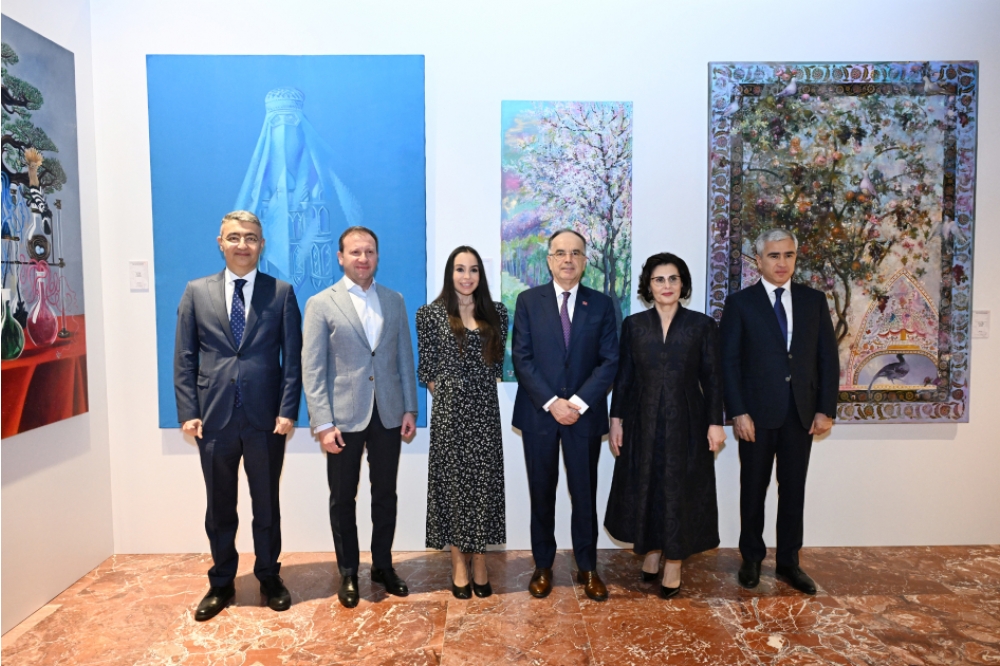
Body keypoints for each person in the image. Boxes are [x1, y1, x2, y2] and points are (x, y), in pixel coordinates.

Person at [174, 210, 302, 621]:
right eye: (234, 237)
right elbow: (185, 357)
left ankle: (269, 576)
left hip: (266, 420)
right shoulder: (196, 292)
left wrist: (287, 410)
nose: (242, 244)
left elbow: (292, 359)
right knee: (219, 507)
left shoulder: (281, 293)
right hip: (214, 419)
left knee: (266, 505)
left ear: (261, 244)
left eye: (250, 237)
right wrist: (189, 411)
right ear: (221, 243)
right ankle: (221, 581)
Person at [302, 225, 418, 608]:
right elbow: (313, 369)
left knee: (385, 494)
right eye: (355, 252)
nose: (362, 258)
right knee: (343, 498)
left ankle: (382, 566)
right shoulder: (321, 303)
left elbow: (404, 358)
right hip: (342, 420)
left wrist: (409, 407)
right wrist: (323, 424)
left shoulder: (394, 300)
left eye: (369, 251)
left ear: (377, 256)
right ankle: (349, 571)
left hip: (388, 414)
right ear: (341, 257)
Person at [719, 227, 839, 595]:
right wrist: (738, 412)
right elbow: (728, 363)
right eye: (774, 255)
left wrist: (825, 408)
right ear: (759, 260)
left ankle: (789, 562)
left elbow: (827, 358)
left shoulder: (813, 301)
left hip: (800, 414)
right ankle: (752, 558)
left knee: (793, 491)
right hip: (755, 415)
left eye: (788, 255)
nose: (782, 262)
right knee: (753, 488)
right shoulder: (740, 304)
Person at [604, 253, 725, 598]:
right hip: (641, 420)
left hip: (687, 421)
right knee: (648, 484)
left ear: (683, 284)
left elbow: (713, 379)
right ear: (649, 285)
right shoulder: (634, 325)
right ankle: (653, 550)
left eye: (673, 278)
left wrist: (715, 423)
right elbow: (624, 378)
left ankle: (674, 560)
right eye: (659, 279)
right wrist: (616, 420)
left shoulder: (701, 325)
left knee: (680, 487)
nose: (667, 285)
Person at [511, 229, 619, 601]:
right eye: (560, 252)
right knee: (541, 493)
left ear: (585, 260)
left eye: (575, 253)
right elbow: (522, 358)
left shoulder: (601, 304)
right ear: (549, 260)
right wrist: (552, 403)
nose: (568, 259)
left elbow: (609, 360)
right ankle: (542, 566)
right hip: (539, 415)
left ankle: (587, 568)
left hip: (583, 416)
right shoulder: (528, 301)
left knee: (584, 494)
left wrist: (577, 402)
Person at [417, 246, 508, 599]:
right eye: (459, 269)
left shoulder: (498, 313)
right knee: (454, 489)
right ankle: (458, 562)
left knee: (483, 486)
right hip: (450, 415)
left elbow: (496, 364)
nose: (466, 276)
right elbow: (427, 370)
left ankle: (480, 562)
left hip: (485, 413)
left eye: (473, 270)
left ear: (480, 275)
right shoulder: (430, 315)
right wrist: (453, 394)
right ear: (450, 273)